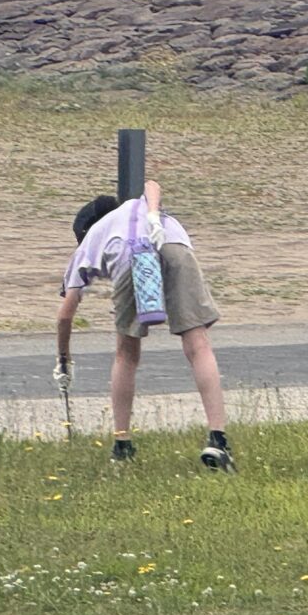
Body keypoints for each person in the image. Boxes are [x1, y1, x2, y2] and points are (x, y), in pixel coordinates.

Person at [55, 181, 234, 471]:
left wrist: (63, 359)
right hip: (172, 245)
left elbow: (65, 316)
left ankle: (122, 446)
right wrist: (153, 216)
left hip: (127, 256)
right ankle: (218, 440)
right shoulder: (137, 205)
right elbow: (152, 184)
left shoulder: (92, 240)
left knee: (126, 354)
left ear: (84, 232)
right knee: (198, 344)